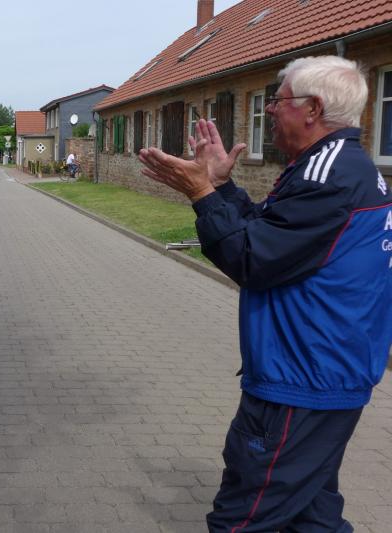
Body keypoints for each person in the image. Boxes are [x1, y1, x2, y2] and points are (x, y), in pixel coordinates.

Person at [139, 55, 392, 532]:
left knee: (240, 519)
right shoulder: (331, 168)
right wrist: (221, 186)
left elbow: (251, 259)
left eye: (279, 100)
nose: (270, 109)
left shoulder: (327, 179)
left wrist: (202, 194)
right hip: (323, 376)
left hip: (302, 380)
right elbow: (273, 233)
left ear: (313, 109)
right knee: (311, 519)